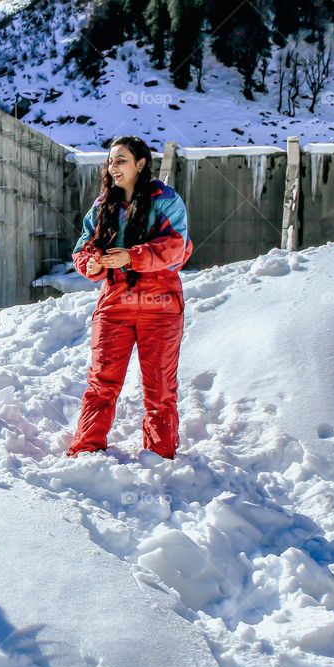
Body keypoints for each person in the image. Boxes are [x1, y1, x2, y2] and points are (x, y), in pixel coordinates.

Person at [67, 135, 193, 460]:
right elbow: (83, 247)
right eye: (110, 161)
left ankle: (161, 455)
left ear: (140, 164)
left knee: (160, 389)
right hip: (114, 305)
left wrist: (132, 257)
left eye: (120, 160)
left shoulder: (166, 201)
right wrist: (91, 262)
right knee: (101, 383)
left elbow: (177, 249)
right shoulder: (102, 205)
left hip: (161, 307)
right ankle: (87, 450)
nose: (113, 167)